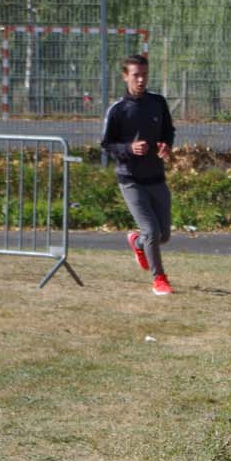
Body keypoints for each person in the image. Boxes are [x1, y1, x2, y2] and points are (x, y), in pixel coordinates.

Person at [100, 53, 176, 296]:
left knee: (163, 235)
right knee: (152, 231)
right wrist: (129, 149)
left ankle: (137, 242)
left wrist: (166, 145)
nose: (141, 80)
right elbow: (106, 145)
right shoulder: (118, 110)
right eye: (136, 75)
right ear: (125, 77)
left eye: (144, 75)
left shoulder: (158, 102)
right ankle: (159, 279)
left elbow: (168, 131)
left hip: (156, 177)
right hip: (130, 179)